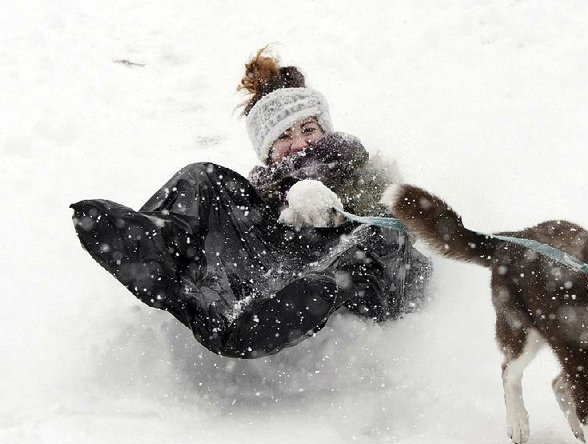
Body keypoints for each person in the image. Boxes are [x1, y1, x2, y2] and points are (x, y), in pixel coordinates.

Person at [71, 47, 431, 359]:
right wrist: (289, 212)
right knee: (205, 176)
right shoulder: (261, 195)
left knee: (374, 237)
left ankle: (301, 300)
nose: (301, 142)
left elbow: (399, 226)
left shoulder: (362, 166)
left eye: (309, 129)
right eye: (284, 137)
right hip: (285, 276)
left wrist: (336, 214)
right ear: (268, 151)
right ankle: (159, 242)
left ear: (325, 129)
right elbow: (254, 236)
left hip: (366, 285)